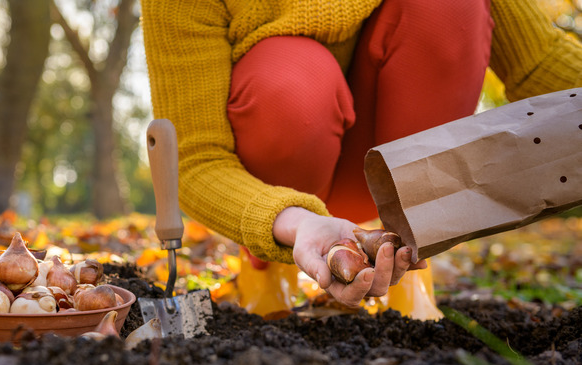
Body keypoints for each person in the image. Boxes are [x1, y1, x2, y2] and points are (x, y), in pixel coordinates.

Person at [141, 0, 582, 317]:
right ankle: (265, 273)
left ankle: (410, 258)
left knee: (448, 8)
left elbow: (539, 62)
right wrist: (294, 222)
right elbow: (199, 160)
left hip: (392, 169)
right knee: (291, 77)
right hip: (284, 184)